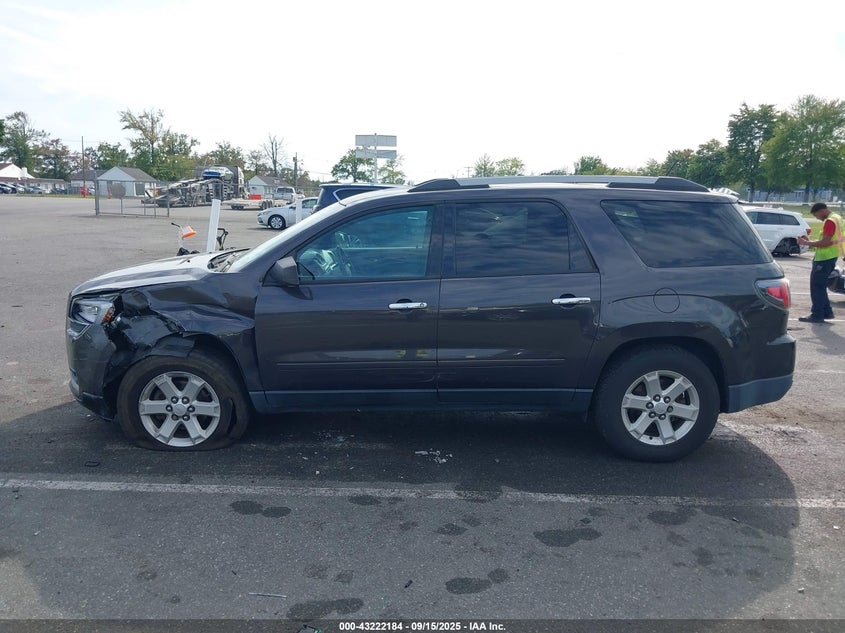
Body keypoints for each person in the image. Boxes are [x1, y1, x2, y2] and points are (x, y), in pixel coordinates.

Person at [797, 202, 844, 323]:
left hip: (824, 258)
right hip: (832, 255)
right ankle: (827, 312)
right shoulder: (837, 218)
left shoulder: (829, 221)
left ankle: (817, 314)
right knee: (821, 286)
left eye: (816, 215)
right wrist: (812, 241)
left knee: (817, 287)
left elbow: (825, 242)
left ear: (822, 211)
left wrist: (806, 243)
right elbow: (830, 240)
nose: (817, 218)